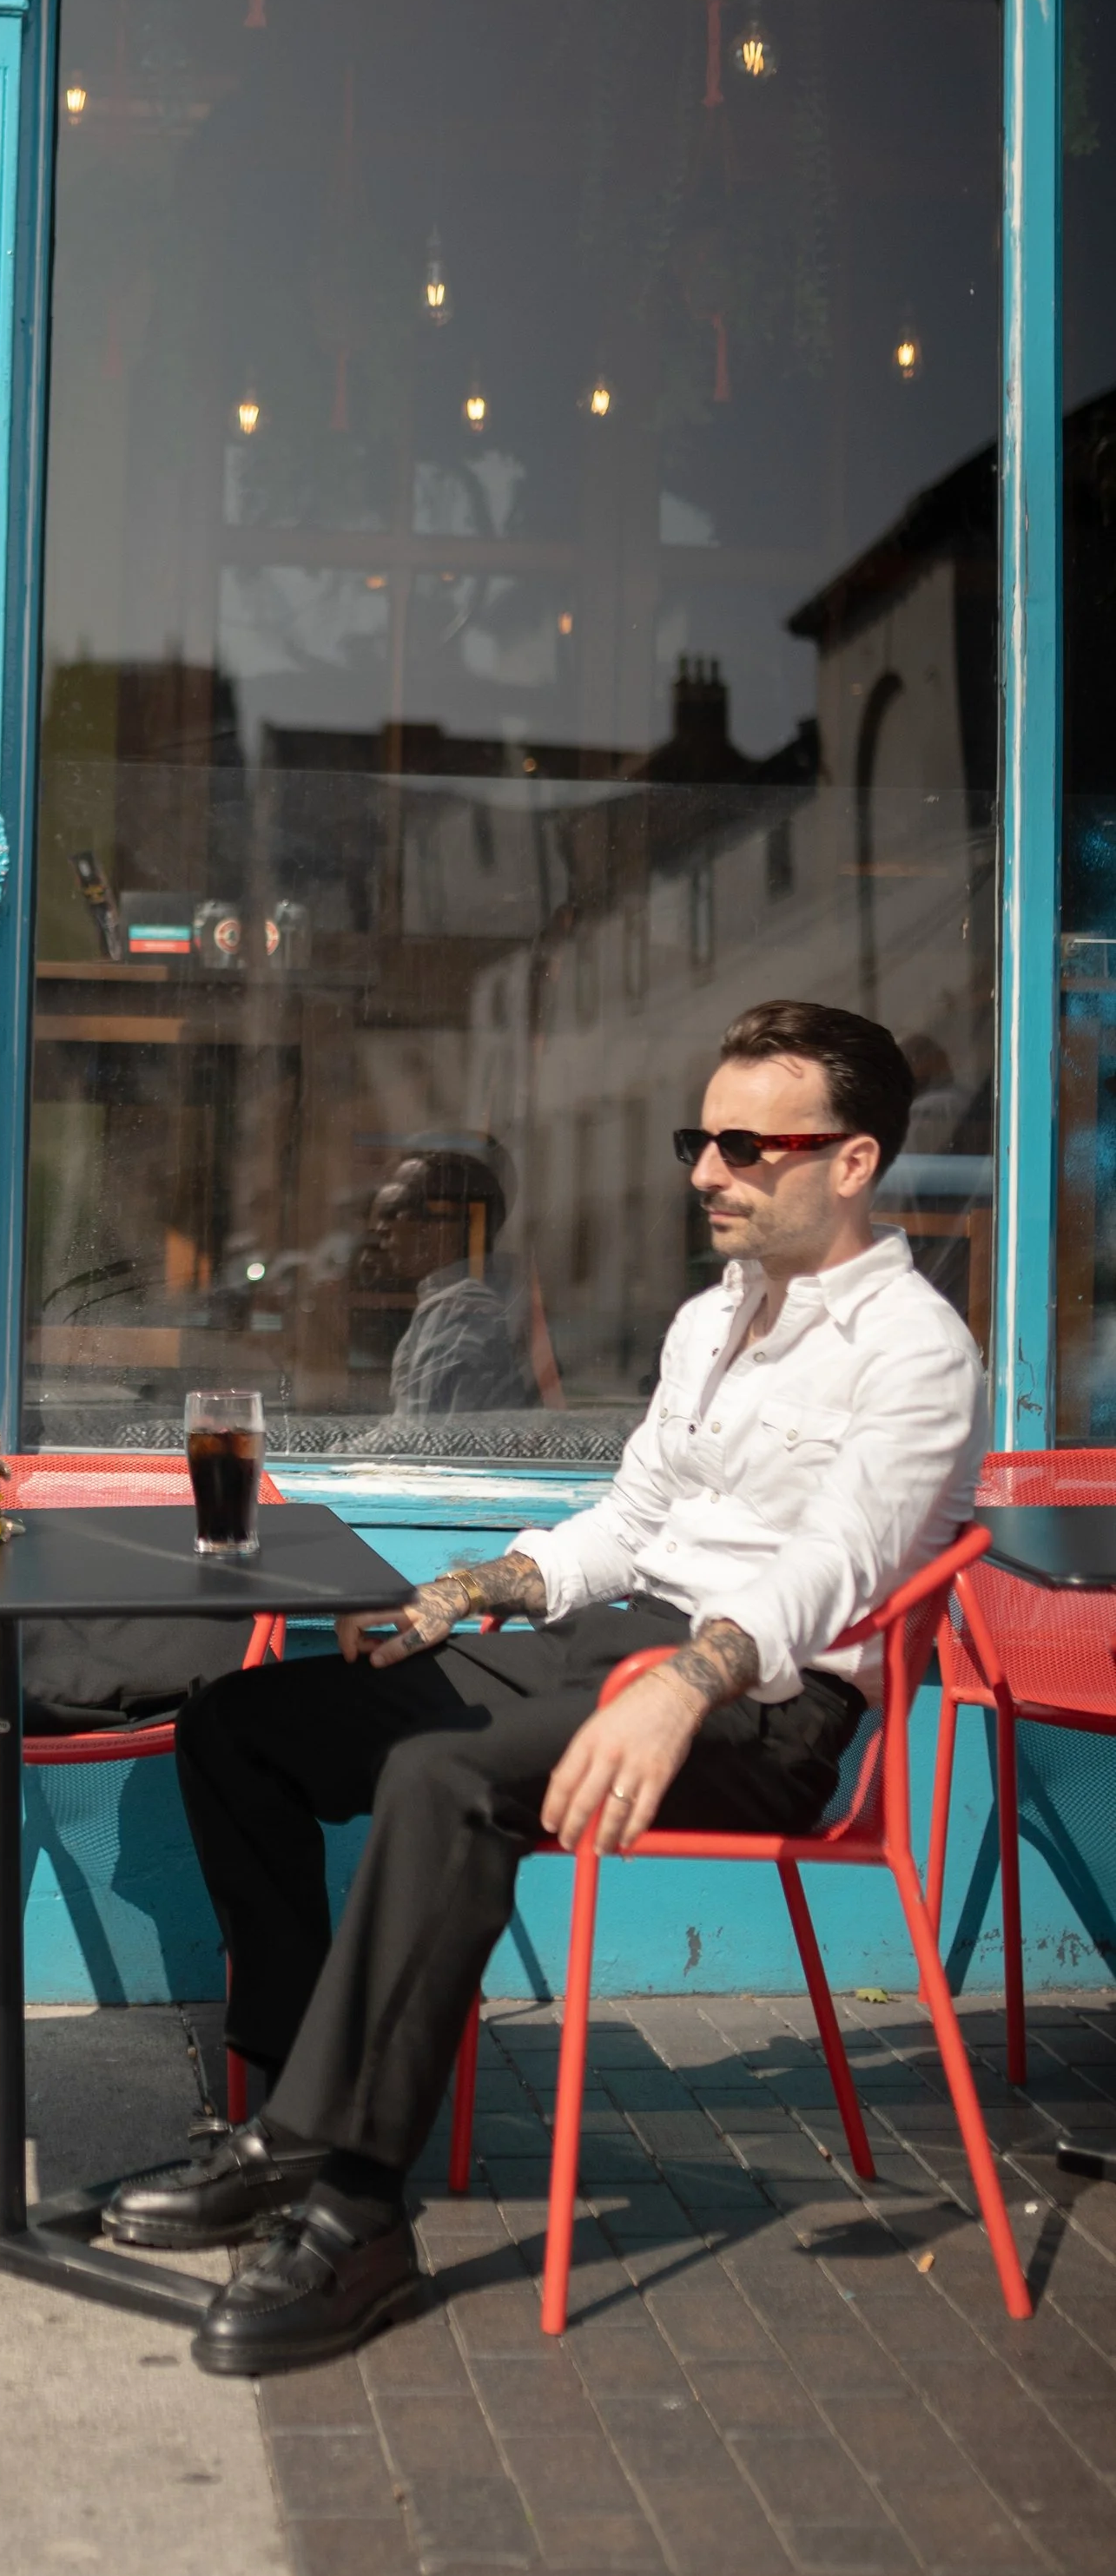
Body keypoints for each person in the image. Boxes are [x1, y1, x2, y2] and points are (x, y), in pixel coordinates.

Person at [104, 1002, 986, 2375]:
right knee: (245, 1725)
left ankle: (358, 2215)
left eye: (752, 1145)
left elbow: (835, 1567)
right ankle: (290, 2113)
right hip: (618, 1642)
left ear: (855, 1159)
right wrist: (467, 1593)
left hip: (767, 1704)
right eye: (704, 1139)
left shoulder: (917, 1349)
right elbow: (624, 1526)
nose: (708, 1171)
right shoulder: (710, 1323)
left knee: (443, 1775)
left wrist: (682, 1684)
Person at [359, 1147, 538, 1418]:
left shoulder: (458, 1312)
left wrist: (337, 1453)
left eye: (395, 1211)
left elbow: (425, 1438)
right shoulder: (454, 1305)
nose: (380, 1228)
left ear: (446, 1225)